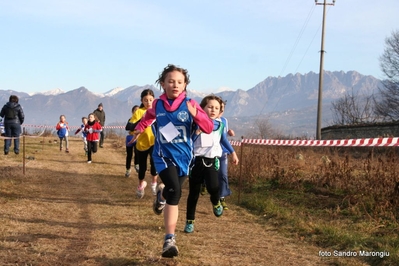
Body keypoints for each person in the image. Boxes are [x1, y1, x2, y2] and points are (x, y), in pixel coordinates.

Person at [133, 64, 213, 258]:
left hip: (184, 159)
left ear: (185, 85)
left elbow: (209, 127)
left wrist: (196, 116)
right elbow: (147, 118)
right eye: (171, 81)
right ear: (163, 84)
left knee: (170, 192)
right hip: (162, 156)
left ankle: (160, 197)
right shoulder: (157, 105)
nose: (175, 85)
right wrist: (138, 129)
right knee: (176, 192)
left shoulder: (191, 104)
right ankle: (169, 240)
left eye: (179, 82)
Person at [184, 95, 239, 234]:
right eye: (210, 107)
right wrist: (197, 132)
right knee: (194, 193)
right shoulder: (195, 123)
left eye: (216, 108)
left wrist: (233, 153)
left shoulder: (220, 125)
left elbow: (224, 140)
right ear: (202, 108)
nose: (213, 110)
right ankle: (190, 221)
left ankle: (216, 202)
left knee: (213, 187)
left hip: (211, 160)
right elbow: (189, 140)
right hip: (196, 161)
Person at [128, 90, 159, 198]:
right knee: (142, 167)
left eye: (151, 100)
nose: (148, 102)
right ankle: (141, 185)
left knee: (155, 163)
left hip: (155, 142)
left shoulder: (158, 111)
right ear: (142, 101)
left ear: (154, 100)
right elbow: (131, 128)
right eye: (145, 100)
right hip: (141, 144)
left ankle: (154, 183)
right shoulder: (139, 112)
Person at [218, 100, 235, 210]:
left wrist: (229, 132)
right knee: (213, 176)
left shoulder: (224, 120)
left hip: (223, 151)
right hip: (210, 153)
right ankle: (204, 184)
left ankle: (222, 197)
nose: (221, 110)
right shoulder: (206, 120)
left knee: (223, 174)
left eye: (223, 108)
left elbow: (224, 136)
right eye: (220, 107)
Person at [125, 105, 140, 177]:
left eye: (138, 110)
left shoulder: (142, 119)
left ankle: (136, 165)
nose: (136, 111)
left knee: (137, 153)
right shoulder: (130, 119)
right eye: (135, 110)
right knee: (129, 155)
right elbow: (127, 128)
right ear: (132, 112)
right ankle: (128, 169)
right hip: (130, 138)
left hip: (138, 138)